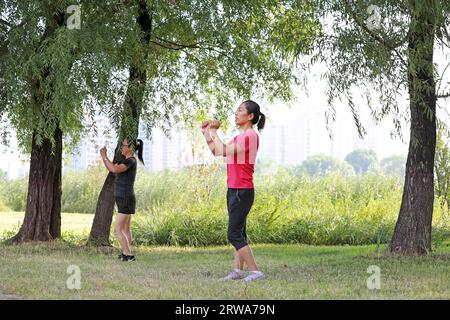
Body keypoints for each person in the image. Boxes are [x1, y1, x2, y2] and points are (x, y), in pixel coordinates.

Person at [201, 100, 266, 282]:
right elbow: (216, 151)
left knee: (234, 234)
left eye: (240, 110)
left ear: (250, 116)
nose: (236, 113)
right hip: (234, 189)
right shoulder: (239, 137)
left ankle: (255, 272)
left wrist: (214, 131)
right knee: (239, 232)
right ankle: (237, 271)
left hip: (242, 190)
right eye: (236, 110)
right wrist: (207, 134)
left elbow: (222, 150)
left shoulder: (250, 136)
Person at [100, 138, 144, 262]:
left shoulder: (130, 161)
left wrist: (104, 156)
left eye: (123, 145)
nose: (121, 148)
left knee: (118, 228)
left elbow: (114, 169)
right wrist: (106, 159)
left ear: (130, 147)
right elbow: (112, 167)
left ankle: (128, 255)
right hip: (125, 198)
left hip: (125, 198)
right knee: (125, 229)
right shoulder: (127, 161)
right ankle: (127, 253)